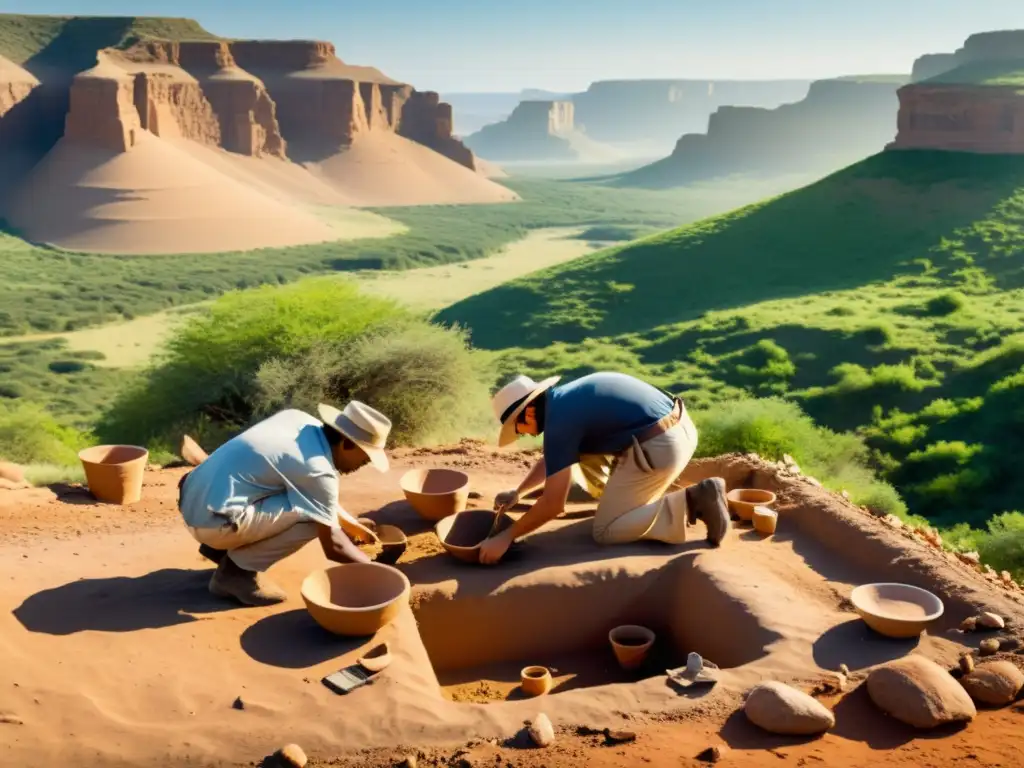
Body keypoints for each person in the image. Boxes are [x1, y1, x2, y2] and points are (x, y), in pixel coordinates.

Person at [479, 372, 731, 565]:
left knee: (606, 531)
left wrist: (506, 536)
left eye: (517, 428)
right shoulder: (565, 401)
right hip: (680, 429)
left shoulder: (559, 423)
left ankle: (694, 500)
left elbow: (553, 505)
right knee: (583, 458)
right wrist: (519, 492)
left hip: (661, 448)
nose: (521, 435)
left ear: (529, 412)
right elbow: (555, 457)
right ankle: (623, 501)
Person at [176, 401, 392, 606]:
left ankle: (219, 551)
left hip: (195, 501)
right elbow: (334, 546)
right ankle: (234, 575)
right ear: (346, 444)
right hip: (213, 525)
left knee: (297, 496)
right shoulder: (319, 471)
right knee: (310, 517)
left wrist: (350, 524)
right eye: (365, 458)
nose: (364, 464)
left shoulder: (297, 420)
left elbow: (312, 489)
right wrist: (382, 575)